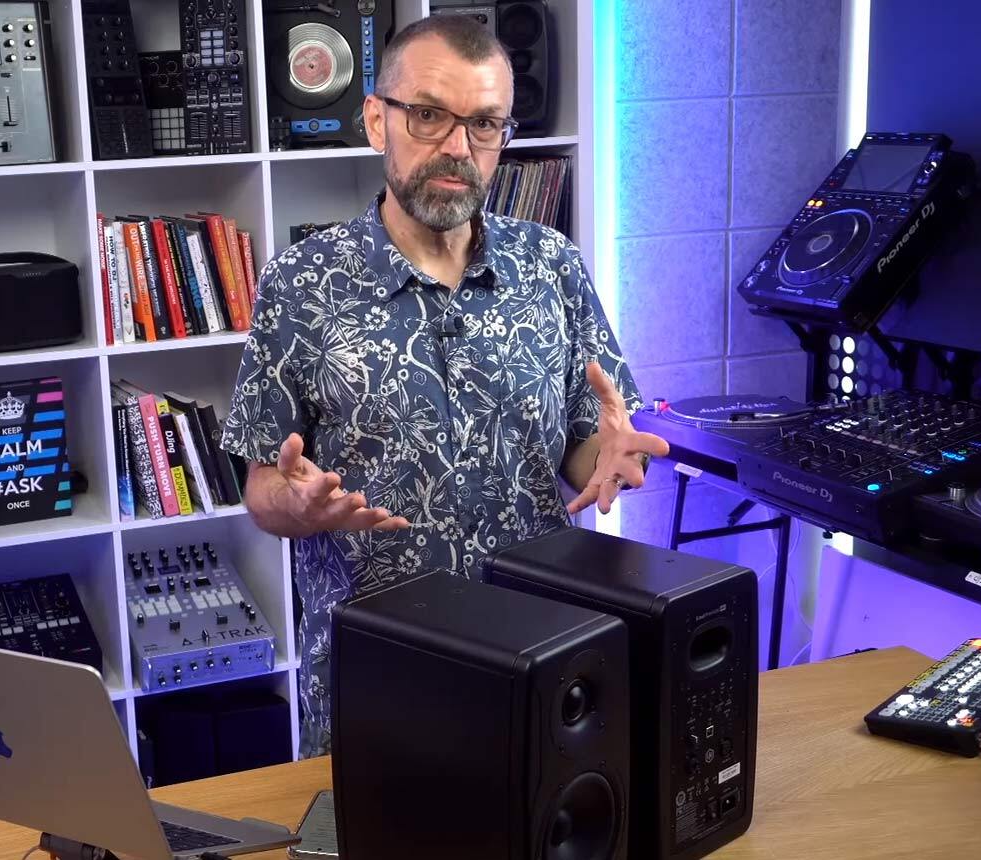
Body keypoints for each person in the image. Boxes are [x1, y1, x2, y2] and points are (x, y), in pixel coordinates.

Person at [220, 15, 669, 757]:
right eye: (429, 115)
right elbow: (264, 486)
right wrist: (296, 504)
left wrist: (610, 457)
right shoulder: (302, 282)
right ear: (377, 120)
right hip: (376, 679)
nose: (458, 147)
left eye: (484, 124)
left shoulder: (551, 265)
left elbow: (587, 448)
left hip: (542, 661)